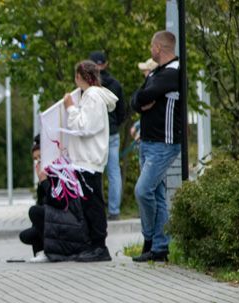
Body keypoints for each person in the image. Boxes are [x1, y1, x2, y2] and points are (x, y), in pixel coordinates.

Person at [130, 31, 182, 262]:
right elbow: (137, 99)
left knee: (143, 191)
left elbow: (146, 94)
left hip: (164, 143)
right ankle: (160, 249)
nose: (150, 49)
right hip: (147, 142)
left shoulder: (174, 72)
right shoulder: (156, 72)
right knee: (158, 195)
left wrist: (143, 99)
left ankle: (150, 238)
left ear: (159, 48)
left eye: (152, 46)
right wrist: (141, 102)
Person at [61, 60, 119, 262]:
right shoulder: (90, 96)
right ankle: (92, 244)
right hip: (86, 159)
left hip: (89, 159)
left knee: (93, 204)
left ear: (80, 77)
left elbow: (84, 128)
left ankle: (99, 246)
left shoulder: (93, 97)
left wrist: (70, 109)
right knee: (89, 203)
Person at [88, 51, 126, 220]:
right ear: (106, 64)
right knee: (114, 172)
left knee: (94, 172)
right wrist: (114, 125)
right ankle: (114, 210)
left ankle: (95, 209)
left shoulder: (88, 85)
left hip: (95, 134)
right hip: (112, 133)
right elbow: (121, 112)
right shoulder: (116, 84)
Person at [20, 136, 50, 262]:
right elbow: (41, 201)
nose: (38, 161)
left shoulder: (55, 173)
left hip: (59, 217)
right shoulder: (42, 177)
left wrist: (44, 181)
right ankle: (39, 252)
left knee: (35, 211)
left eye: (40, 157)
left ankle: (48, 251)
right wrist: (40, 182)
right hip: (48, 218)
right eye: (35, 159)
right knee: (26, 235)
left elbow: (55, 199)